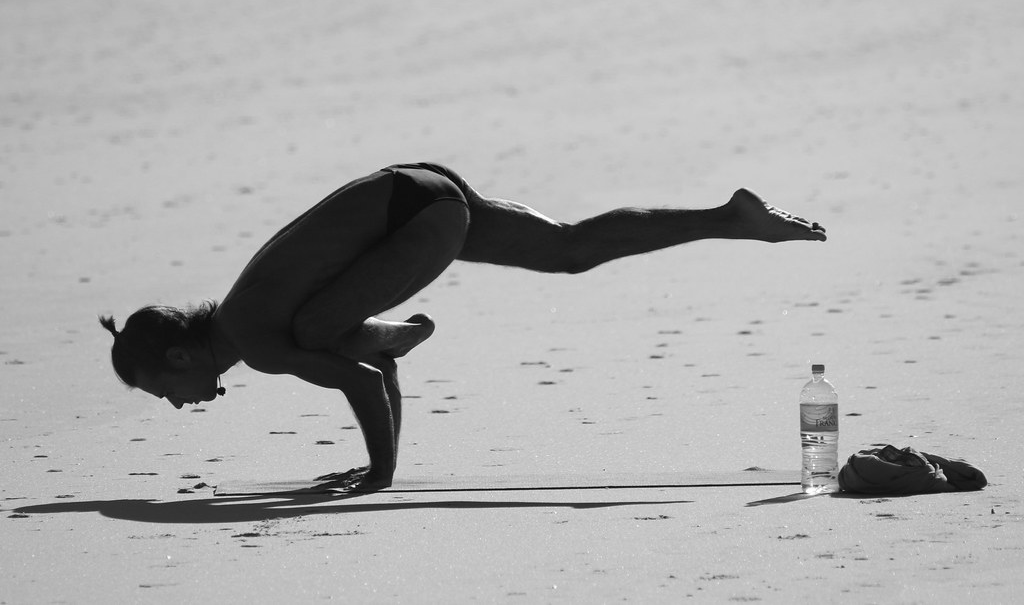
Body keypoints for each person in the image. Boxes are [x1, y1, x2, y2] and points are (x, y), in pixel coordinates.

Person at [99, 162, 826, 492]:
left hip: (412, 217)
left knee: (327, 338)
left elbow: (358, 382)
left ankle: (388, 333)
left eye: (164, 386)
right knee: (570, 247)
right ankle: (731, 218)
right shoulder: (250, 309)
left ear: (181, 352)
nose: (175, 402)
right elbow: (364, 373)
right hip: (418, 185)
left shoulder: (254, 340)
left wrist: (379, 474)